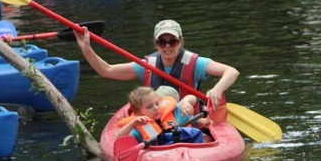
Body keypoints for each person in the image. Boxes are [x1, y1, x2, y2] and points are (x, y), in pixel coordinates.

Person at [75, 19, 239, 108]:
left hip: (188, 119)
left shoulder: (195, 63)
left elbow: (231, 71)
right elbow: (107, 71)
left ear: (180, 42)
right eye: (162, 42)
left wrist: (218, 89)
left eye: (172, 41)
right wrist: (86, 48)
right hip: (156, 119)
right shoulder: (146, 65)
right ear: (155, 43)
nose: (167, 46)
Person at [116, 86, 204, 144]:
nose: (155, 108)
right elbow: (118, 139)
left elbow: (193, 98)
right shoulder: (139, 126)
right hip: (162, 155)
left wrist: (185, 101)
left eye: (157, 103)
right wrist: (132, 124)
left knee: (199, 134)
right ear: (139, 113)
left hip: (186, 149)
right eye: (149, 106)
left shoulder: (174, 113)